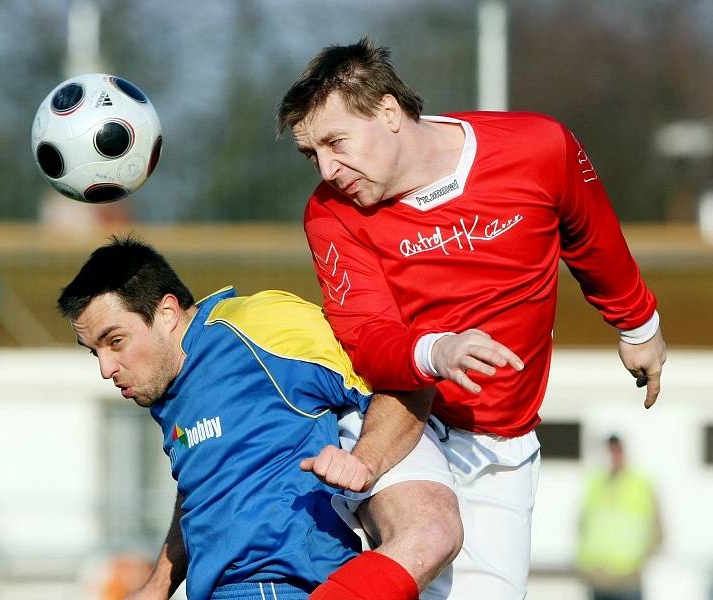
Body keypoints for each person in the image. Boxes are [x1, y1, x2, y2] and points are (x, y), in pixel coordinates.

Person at [277, 37, 667, 599]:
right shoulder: (330, 214)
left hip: (504, 440)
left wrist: (638, 325)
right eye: (312, 154)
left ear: (389, 112)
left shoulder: (539, 146)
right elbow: (368, 337)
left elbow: (590, 234)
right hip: (401, 417)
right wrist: (439, 352)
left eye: (335, 142)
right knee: (427, 534)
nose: (328, 169)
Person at [57, 236, 462, 600]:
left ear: (166, 313)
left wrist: (367, 459)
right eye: (95, 351)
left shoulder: (260, 326)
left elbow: (403, 379)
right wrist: (158, 585)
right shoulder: (168, 392)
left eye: (116, 341)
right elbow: (201, 492)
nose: (106, 368)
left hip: (284, 586)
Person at [576, 435, 663, 600]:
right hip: (598, 579)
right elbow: (582, 524)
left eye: (616, 451)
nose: (613, 457)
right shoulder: (595, 483)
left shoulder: (641, 485)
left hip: (628, 580)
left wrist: (640, 562)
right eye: (609, 452)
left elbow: (659, 532)